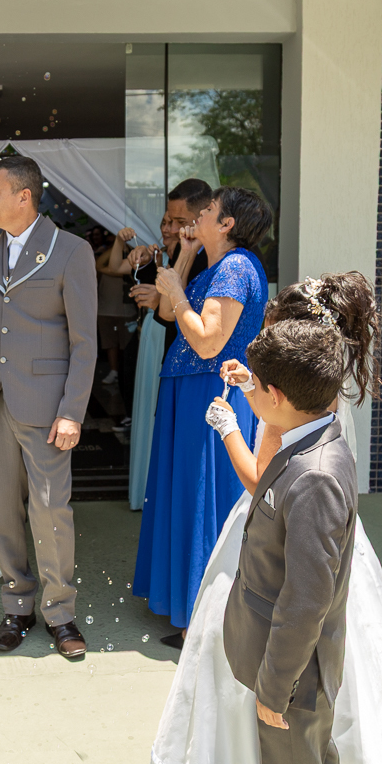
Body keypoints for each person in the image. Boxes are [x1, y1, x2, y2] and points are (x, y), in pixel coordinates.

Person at [147, 273, 382, 764]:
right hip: (311, 545)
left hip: (281, 564)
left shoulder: (306, 460)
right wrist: (251, 384)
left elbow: (264, 486)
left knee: (292, 728)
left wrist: (228, 425)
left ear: (277, 387)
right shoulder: (317, 401)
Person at [0, 154, 97, 658]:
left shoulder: (71, 251)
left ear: (23, 196)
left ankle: (61, 613)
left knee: (51, 509)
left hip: (49, 406)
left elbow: (84, 343)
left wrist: (72, 409)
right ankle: (17, 605)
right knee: (3, 512)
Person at [132, 186, 271, 647]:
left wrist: (174, 289)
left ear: (226, 223)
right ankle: (195, 609)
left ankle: (207, 622)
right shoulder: (217, 265)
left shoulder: (234, 266)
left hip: (210, 393)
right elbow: (172, 316)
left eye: (207, 211)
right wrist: (184, 259)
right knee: (191, 497)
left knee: (205, 500)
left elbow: (208, 340)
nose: (198, 216)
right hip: (190, 392)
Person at [222, 319, 357, 764]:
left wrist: (276, 690)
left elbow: (305, 601)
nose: (251, 394)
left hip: (292, 679)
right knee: (311, 761)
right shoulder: (311, 434)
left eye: (255, 388)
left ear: (276, 396)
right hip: (287, 666)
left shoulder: (315, 476)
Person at [106, 179, 213, 510]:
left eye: (180, 222)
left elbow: (187, 313)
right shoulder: (174, 251)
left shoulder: (216, 260)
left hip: (195, 359)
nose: (173, 229)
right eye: (169, 220)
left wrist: (161, 299)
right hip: (165, 348)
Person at [93, 227, 133, 389]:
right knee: (110, 343)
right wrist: (117, 245)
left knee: (126, 347)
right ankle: (114, 371)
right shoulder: (106, 256)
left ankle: (122, 373)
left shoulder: (131, 260)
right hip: (106, 308)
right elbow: (99, 264)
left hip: (126, 310)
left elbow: (114, 268)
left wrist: (126, 248)